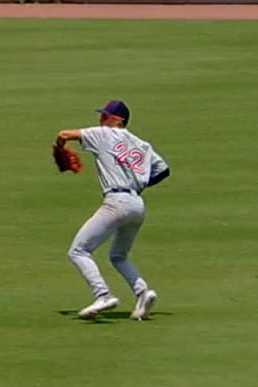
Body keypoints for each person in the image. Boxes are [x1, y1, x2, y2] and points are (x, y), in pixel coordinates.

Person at [54, 100, 171, 320]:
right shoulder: (142, 144)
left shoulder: (103, 134)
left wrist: (60, 148)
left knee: (78, 251)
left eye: (105, 116)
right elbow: (163, 170)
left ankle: (103, 295)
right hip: (137, 205)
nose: (100, 119)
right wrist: (140, 185)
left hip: (116, 201)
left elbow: (64, 134)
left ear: (117, 120)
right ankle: (143, 292)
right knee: (118, 255)